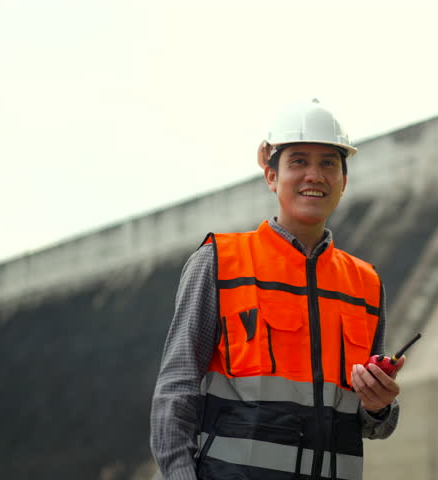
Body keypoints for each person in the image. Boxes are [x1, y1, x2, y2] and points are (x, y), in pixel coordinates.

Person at [150, 100, 403, 480]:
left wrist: (380, 407)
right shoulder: (220, 262)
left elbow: (372, 425)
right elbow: (177, 389)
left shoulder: (365, 284)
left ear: (344, 181)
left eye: (328, 163)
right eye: (298, 161)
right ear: (271, 176)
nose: (314, 175)